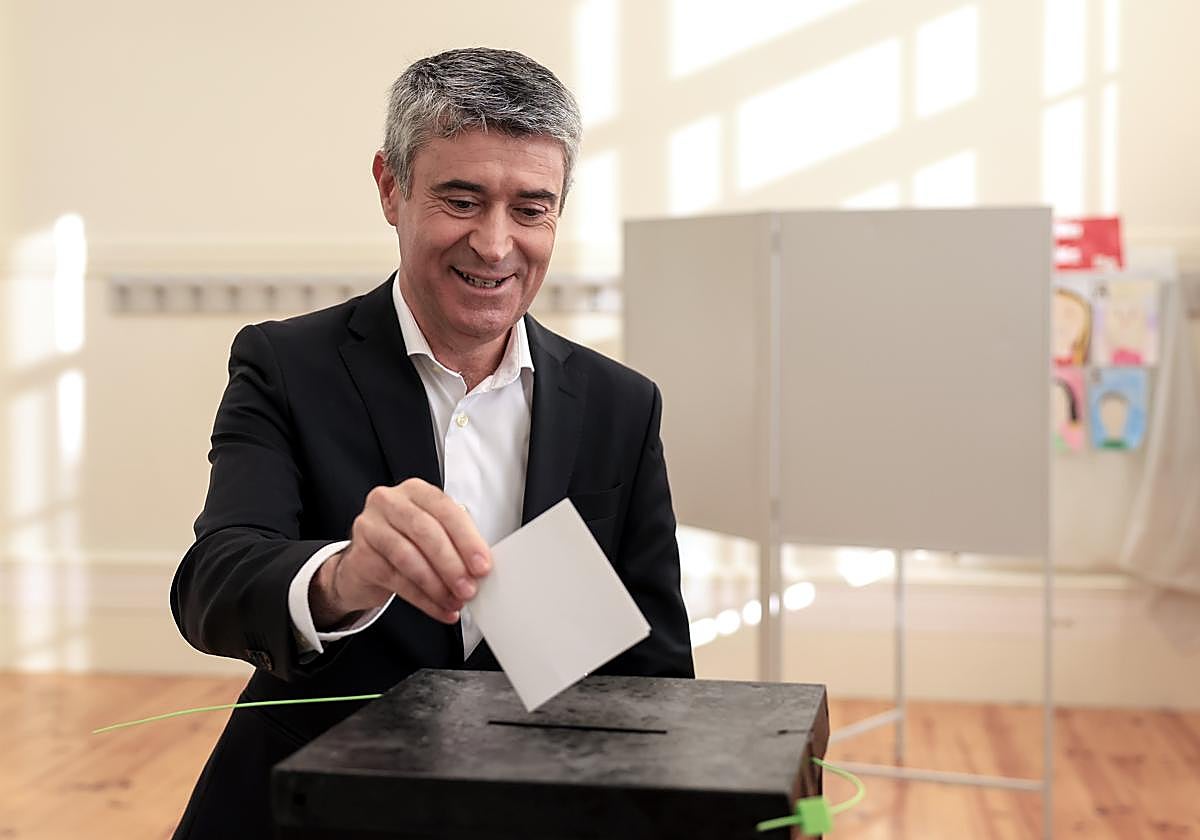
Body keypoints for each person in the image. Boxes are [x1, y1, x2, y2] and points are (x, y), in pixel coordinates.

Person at [169, 47, 694, 839]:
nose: (494, 244)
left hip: (535, 811)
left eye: (530, 208)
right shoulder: (286, 364)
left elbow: (654, 673)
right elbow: (213, 584)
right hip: (312, 805)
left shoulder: (621, 404)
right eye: (461, 199)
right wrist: (343, 576)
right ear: (391, 187)